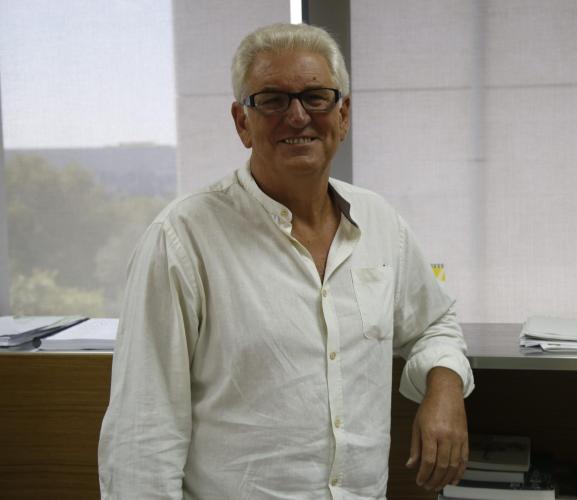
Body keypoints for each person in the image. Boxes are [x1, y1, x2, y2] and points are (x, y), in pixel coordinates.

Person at [98, 22, 474, 500]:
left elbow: (434, 323)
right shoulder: (181, 240)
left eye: (316, 97)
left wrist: (444, 387)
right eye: (272, 100)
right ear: (242, 122)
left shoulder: (381, 223)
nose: (297, 117)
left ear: (343, 115)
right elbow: (141, 436)